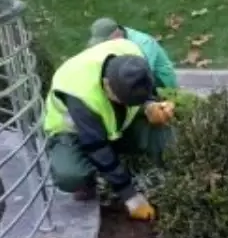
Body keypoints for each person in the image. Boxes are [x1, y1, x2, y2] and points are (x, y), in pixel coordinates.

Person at [42, 38, 175, 221]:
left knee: (164, 136)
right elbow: (97, 147)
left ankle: (178, 174)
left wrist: (150, 105)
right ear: (106, 85)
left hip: (116, 125)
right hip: (75, 134)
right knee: (70, 175)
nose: (129, 105)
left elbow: (147, 90)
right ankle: (89, 182)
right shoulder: (80, 92)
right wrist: (130, 196)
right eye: (125, 102)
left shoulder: (133, 56)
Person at [87, 17, 179, 93]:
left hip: (159, 84)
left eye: (104, 41)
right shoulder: (117, 39)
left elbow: (141, 73)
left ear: (116, 35)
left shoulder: (143, 43)